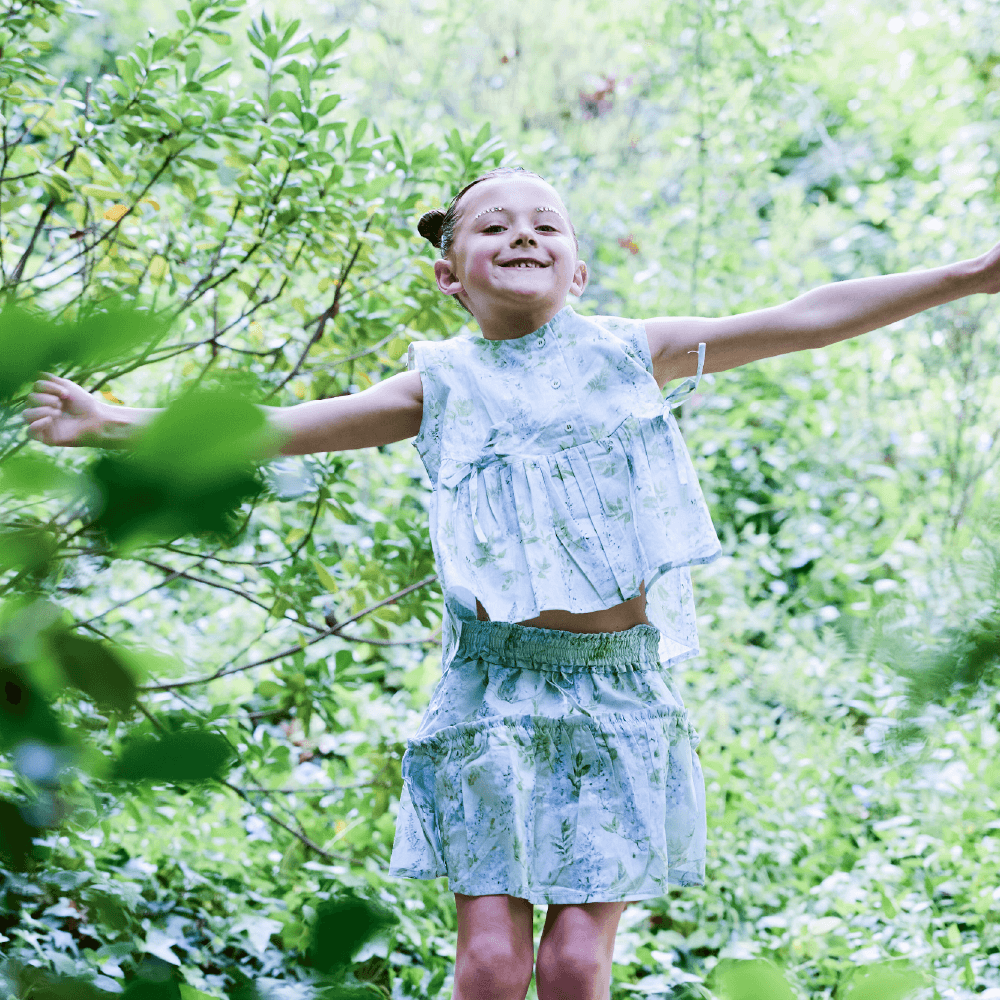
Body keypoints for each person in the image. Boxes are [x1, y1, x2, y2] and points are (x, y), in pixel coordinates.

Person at [24, 166, 1000, 1000]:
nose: (522, 234)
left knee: (573, 966)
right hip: (492, 693)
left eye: (546, 225)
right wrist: (111, 422)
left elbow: (805, 318)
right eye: (493, 226)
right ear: (450, 273)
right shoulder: (440, 384)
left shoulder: (632, 353)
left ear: (578, 270)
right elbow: (277, 427)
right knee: (491, 965)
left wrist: (971, 273)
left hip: (618, 697)